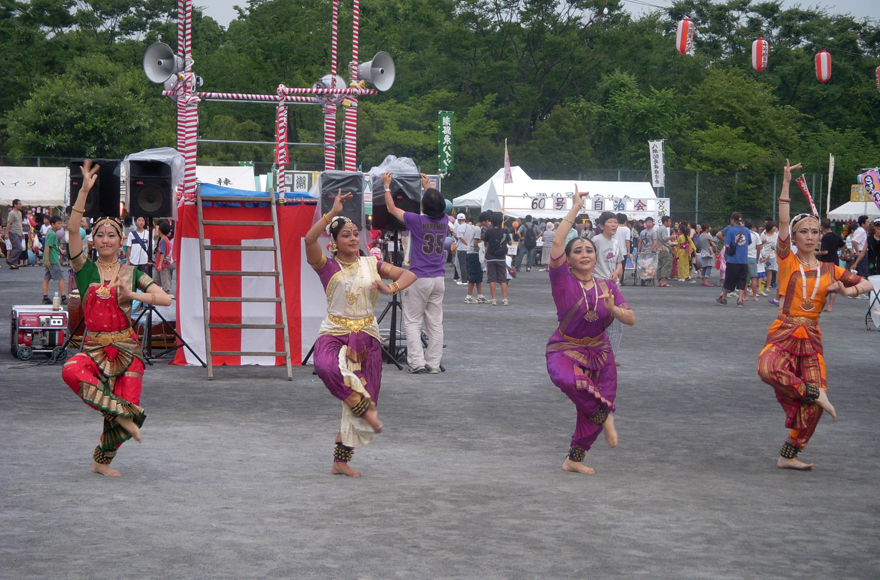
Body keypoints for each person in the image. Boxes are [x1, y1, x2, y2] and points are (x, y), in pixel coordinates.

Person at [757, 159, 874, 470]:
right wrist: (786, 183)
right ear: (794, 237)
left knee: (814, 410)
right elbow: (783, 221)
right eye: (803, 232)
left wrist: (847, 291)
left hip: (811, 338)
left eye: (814, 232)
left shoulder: (830, 269)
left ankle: (788, 455)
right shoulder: (787, 260)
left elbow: (865, 283)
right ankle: (813, 392)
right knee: (767, 369)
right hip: (784, 331)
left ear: (820, 237)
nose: (810, 236)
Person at [60, 160, 172, 477]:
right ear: (93, 240)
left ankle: (102, 460)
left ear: (121, 241)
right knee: (70, 370)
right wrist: (84, 191)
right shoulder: (85, 269)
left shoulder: (131, 273)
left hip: (128, 350)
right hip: (94, 349)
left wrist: (133, 294)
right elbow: (72, 229)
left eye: (111, 235)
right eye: (100, 235)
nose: (105, 239)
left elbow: (165, 298)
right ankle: (122, 414)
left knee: (128, 405)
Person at [306, 190, 416, 476]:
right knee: (326, 367)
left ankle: (340, 462)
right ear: (333, 242)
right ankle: (361, 407)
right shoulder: (326, 266)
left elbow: (409, 274)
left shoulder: (372, 265)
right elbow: (308, 240)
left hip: (367, 334)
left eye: (355, 234)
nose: (353, 239)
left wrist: (389, 288)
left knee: (367, 397)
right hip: (335, 331)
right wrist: (332, 212)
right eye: (346, 235)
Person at [545, 187, 635, 475]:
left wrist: (614, 309)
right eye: (578, 251)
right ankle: (604, 417)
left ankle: (574, 459)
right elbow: (557, 241)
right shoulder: (562, 281)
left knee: (602, 396)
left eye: (588, 250)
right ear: (568, 259)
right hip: (565, 348)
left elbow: (631, 319)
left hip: (600, 352)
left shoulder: (608, 287)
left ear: (596, 257)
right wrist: (575, 207)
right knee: (570, 381)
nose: (584, 254)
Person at [382, 171, 448, 374]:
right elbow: (436, 205)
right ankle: (433, 363)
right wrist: (427, 187)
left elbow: (392, 209)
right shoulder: (445, 220)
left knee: (412, 321)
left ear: (423, 206)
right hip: (439, 277)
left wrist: (386, 186)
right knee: (435, 323)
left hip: (418, 276)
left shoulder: (416, 221)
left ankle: (417, 362)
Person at [716, 212, 749, 307]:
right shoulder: (746, 230)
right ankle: (740, 300)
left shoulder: (731, 230)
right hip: (743, 259)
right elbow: (749, 242)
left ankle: (724, 298)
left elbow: (727, 243)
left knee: (729, 279)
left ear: (733, 220)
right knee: (742, 280)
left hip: (732, 259)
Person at [816, 219, 845, 312]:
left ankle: (821, 304)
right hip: (835, 262)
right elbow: (843, 246)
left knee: (823, 283)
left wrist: (815, 253)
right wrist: (835, 249)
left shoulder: (825, 237)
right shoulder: (836, 235)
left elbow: (825, 252)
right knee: (833, 282)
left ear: (822, 227)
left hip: (826, 262)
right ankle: (830, 306)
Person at [483, 212, 510, 305]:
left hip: (491, 257)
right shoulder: (505, 231)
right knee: (503, 279)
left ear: (492, 221)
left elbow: (485, 241)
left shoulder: (489, 231)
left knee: (492, 279)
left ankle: (494, 299)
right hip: (501, 257)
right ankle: (504, 299)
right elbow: (510, 242)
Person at [464, 213, 489, 303]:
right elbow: (476, 244)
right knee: (474, 275)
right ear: (484, 221)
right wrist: (482, 248)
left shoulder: (475, 228)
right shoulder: (478, 229)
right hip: (474, 253)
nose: (488, 223)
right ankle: (469, 296)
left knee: (478, 275)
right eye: (488, 221)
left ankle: (480, 295)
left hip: (472, 253)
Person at [41, 216, 66, 305]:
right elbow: (47, 246)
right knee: (61, 277)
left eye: (61, 223)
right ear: (53, 224)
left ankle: (45, 297)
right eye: (58, 223)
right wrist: (47, 260)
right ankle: (63, 297)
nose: (60, 225)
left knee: (46, 278)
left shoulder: (51, 233)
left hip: (50, 259)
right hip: (53, 260)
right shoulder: (52, 234)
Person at [154, 221, 174, 294]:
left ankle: (165, 295)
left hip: (163, 265)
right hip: (163, 264)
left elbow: (163, 252)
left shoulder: (163, 240)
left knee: (165, 282)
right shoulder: (165, 239)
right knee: (159, 282)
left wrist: (160, 264)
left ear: (160, 230)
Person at [745, 220, 763, 301]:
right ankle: (754, 296)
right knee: (754, 278)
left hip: (744, 257)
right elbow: (758, 247)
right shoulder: (756, 235)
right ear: (752, 226)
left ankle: (745, 296)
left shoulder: (742, 233)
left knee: (744, 278)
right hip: (753, 257)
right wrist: (757, 258)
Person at [851, 215, 870, 286]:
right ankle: (862, 288)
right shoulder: (861, 231)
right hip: (862, 253)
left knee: (860, 272)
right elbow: (854, 241)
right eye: (867, 222)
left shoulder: (859, 230)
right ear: (863, 223)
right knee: (863, 273)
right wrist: (858, 251)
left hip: (861, 252)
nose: (869, 223)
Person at [614, 213, 632, 285]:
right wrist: (629, 251)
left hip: (614, 249)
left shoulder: (614, 228)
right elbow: (627, 241)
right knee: (621, 266)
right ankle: (620, 281)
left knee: (614, 265)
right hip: (623, 250)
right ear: (625, 221)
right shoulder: (627, 229)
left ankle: (614, 279)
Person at [4, 198, 23, 269]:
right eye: (19, 204)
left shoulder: (19, 213)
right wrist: (6, 233)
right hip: (13, 232)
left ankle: (14, 264)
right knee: (19, 248)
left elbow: (19, 223)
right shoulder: (12, 213)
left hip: (19, 232)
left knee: (15, 248)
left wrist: (22, 232)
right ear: (15, 205)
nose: (20, 205)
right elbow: (8, 223)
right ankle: (10, 260)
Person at [761, 220, 779, 292]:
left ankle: (768, 287)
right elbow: (759, 244)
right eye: (773, 227)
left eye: (775, 227)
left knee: (769, 271)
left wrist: (774, 248)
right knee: (761, 271)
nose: (775, 228)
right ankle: (761, 287)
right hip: (763, 254)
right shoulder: (763, 234)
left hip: (771, 255)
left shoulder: (776, 235)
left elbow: (777, 244)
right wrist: (763, 242)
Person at [656, 216, 674, 287]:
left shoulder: (659, 228)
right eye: (669, 221)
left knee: (660, 265)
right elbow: (664, 239)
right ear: (666, 222)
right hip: (665, 249)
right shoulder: (664, 229)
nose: (670, 223)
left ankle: (658, 282)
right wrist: (672, 237)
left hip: (660, 249)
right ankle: (663, 281)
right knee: (666, 265)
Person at [453, 213, 469, 285]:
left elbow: (461, 237)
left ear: (458, 220)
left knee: (461, 265)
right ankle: (467, 279)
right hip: (468, 249)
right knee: (467, 264)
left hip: (461, 248)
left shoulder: (459, 227)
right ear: (465, 219)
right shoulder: (469, 227)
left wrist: (466, 243)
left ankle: (463, 280)